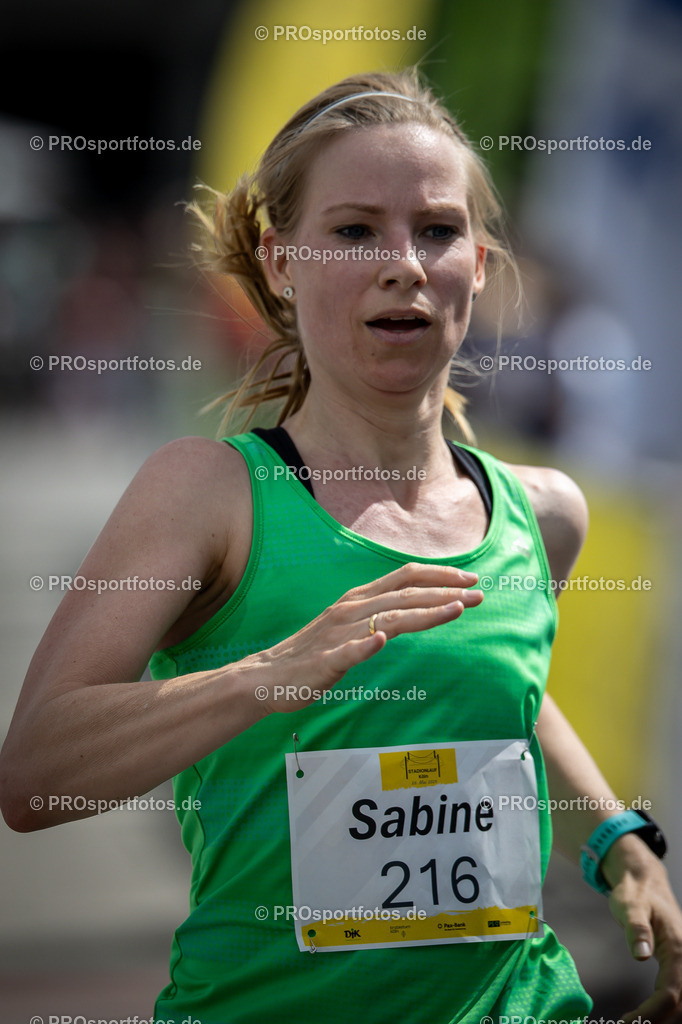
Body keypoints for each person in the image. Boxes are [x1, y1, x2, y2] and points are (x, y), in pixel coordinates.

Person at [1, 68, 681, 1023]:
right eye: (356, 231)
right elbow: (33, 778)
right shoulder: (212, 493)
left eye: (437, 230)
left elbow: (509, 695)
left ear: (478, 266)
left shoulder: (542, 512)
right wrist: (279, 669)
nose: (403, 262)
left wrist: (620, 837)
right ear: (283, 265)